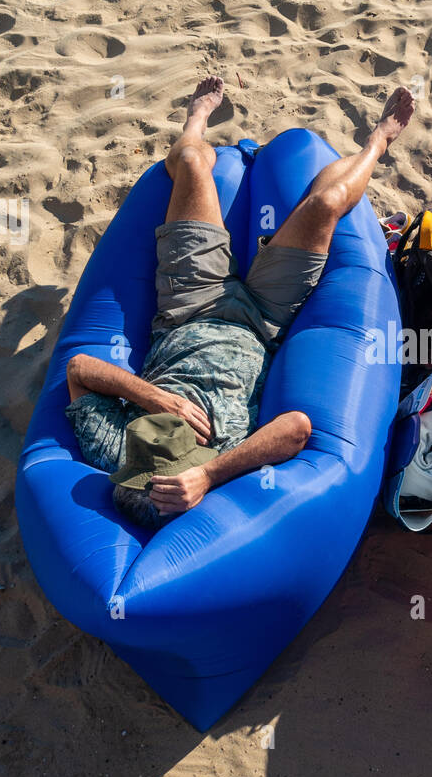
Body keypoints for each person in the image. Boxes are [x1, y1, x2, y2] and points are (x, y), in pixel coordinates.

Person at [65, 75, 414, 527]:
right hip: (263, 320)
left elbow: (79, 369)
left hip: (185, 308)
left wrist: (156, 399)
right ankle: (378, 144)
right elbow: (297, 429)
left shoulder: (114, 451)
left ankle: (197, 119)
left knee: (191, 159)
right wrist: (208, 475)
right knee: (325, 204)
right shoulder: (220, 455)